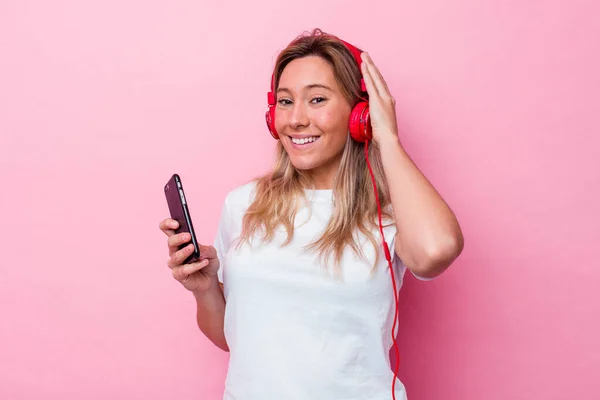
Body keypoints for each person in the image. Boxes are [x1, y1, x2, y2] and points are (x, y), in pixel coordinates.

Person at [159, 28, 464, 400]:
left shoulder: (393, 214)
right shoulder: (244, 204)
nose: (296, 120)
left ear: (359, 113)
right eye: (285, 102)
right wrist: (206, 291)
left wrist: (386, 136)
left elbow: (436, 250)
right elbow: (231, 339)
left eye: (316, 99)